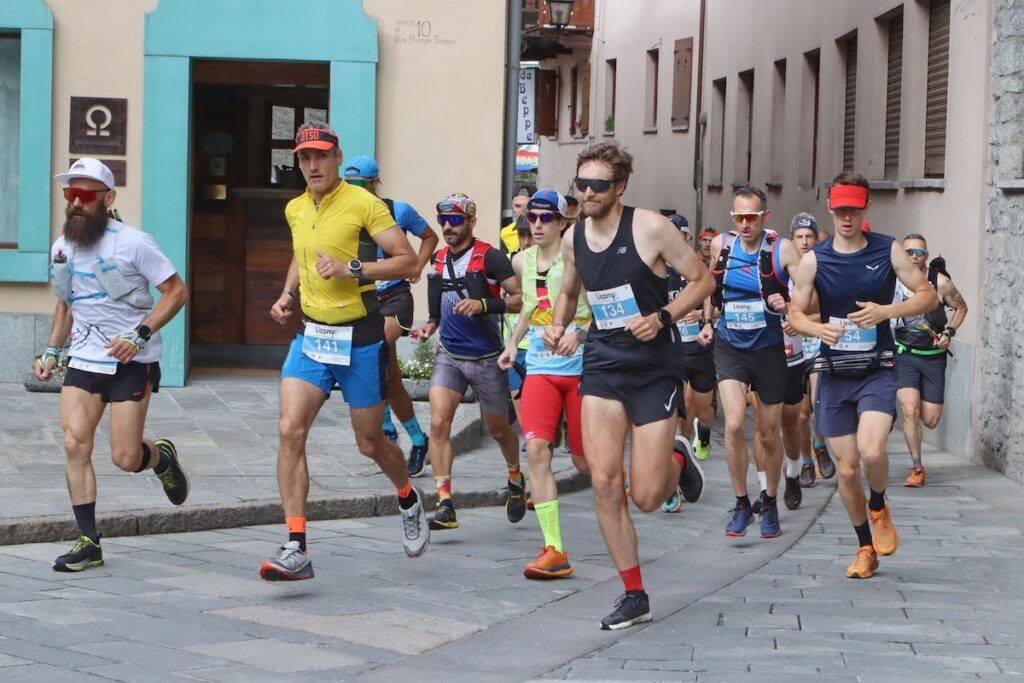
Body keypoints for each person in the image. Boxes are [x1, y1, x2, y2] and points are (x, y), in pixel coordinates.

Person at [546, 141, 711, 630]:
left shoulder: (650, 227)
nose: (589, 193)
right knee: (603, 482)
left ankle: (678, 460)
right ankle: (634, 593)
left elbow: (702, 281)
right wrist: (559, 325)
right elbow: (570, 291)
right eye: (582, 185)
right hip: (602, 365)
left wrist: (662, 316)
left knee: (646, 498)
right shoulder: (574, 238)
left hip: (654, 368)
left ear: (620, 188)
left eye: (599, 185)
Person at [262, 124, 429, 581]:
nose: (312, 166)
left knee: (369, 442)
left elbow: (408, 261)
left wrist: (351, 267)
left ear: (337, 158)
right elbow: (302, 253)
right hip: (312, 338)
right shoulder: (296, 208)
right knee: (289, 429)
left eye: (320, 156)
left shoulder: (365, 204)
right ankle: (295, 544)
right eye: (304, 159)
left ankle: (408, 496)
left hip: (360, 339)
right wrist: (287, 295)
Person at [38, 158, 190, 572]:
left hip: (131, 360)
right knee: (75, 442)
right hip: (85, 357)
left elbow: (176, 292)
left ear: (108, 199)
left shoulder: (134, 243)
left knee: (124, 457)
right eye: (70, 195)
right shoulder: (62, 247)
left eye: (85, 196)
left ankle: (160, 458)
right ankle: (89, 540)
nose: (75, 203)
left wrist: (138, 334)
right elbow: (66, 302)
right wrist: (53, 350)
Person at [788, 171, 937, 579]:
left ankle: (878, 505)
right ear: (831, 210)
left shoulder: (887, 249)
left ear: (866, 207)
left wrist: (886, 311)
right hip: (835, 373)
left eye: (854, 210)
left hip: (877, 369)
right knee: (847, 469)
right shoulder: (815, 259)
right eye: (840, 211)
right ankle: (864, 547)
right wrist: (816, 329)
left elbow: (928, 294)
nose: (847, 218)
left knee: (872, 453)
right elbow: (794, 312)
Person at [411, 192, 524, 531]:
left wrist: (485, 305)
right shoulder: (440, 258)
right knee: (438, 423)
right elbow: (439, 302)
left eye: (456, 220)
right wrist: (430, 325)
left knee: (499, 429)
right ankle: (445, 502)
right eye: (444, 220)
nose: (448, 226)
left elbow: (519, 300)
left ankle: (516, 479)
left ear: (472, 222)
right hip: (449, 354)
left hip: (487, 357)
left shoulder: (490, 258)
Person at [498, 189, 591, 579]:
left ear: (561, 222)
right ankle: (555, 548)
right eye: (530, 218)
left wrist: (581, 333)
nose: (535, 224)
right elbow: (531, 307)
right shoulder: (522, 261)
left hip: (583, 368)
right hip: (539, 366)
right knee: (537, 449)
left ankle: (663, 469)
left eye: (544, 218)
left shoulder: (581, 258)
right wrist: (511, 344)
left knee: (586, 462)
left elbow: (604, 310)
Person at [709, 185, 801, 539]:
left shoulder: (782, 249)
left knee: (766, 434)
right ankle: (741, 502)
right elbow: (710, 288)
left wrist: (791, 308)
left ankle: (771, 500)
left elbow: (806, 293)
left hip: (768, 350)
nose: (745, 224)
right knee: (733, 425)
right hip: (730, 345)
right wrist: (705, 322)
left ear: (766, 216)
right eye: (739, 217)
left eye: (752, 216)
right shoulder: (722, 246)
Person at [342, 156, 438, 477]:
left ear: (374, 183)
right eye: (349, 185)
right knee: (389, 377)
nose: (355, 191)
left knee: (379, 344)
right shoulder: (346, 215)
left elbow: (430, 237)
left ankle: (388, 429)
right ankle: (416, 438)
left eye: (360, 185)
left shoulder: (399, 210)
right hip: (366, 299)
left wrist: (417, 267)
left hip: (395, 296)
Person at [893, 234, 968, 487]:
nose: (914, 256)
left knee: (930, 420)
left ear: (926, 255)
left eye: (919, 252)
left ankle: (917, 459)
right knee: (910, 410)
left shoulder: (940, 281)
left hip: (934, 358)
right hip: (904, 354)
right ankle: (917, 467)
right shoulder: (892, 280)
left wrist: (949, 333)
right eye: (909, 252)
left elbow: (961, 307)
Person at [661, 214, 715, 516]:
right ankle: (677, 473)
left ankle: (702, 433)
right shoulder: (658, 268)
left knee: (702, 408)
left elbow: (707, 292)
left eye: (680, 233)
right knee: (682, 404)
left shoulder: (695, 265)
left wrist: (704, 318)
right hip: (674, 349)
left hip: (700, 348)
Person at [788, 213, 836, 488]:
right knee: (801, 414)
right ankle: (807, 461)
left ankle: (820, 445)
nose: (805, 242)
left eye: (809, 236)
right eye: (799, 237)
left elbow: (830, 313)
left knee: (821, 403)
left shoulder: (823, 270)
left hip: (817, 343)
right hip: (791, 348)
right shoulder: (782, 271)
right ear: (792, 239)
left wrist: (805, 322)